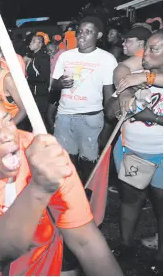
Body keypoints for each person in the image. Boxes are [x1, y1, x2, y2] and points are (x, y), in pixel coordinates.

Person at [0, 75, 123, 276]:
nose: (9, 135)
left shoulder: (40, 155)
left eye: (7, 121)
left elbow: (85, 240)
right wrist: (39, 189)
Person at [107, 31, 163, 274]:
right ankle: (125, 245)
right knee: (131, 200)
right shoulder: (134, 75)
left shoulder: (147, 75)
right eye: (147, 48)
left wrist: (153, 117)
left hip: (162, 155)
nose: (145, 54)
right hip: (132, 151)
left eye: (154, 49)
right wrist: (124, 100)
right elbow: (109, 111)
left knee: (162, 206)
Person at [51, 16, 117, 184]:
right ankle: (70, 197)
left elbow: (109, 94)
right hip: (65, 116)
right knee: (65, 163)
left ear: (99, 35)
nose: (81, 35)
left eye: (88, 32)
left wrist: (108, 126)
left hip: (90, 118)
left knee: (88, 164)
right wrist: (59, 83)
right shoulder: (65, 56)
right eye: (80, 31)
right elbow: (54, 87)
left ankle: (87, 197)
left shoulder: (107, 59)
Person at [26, 33, 51, 118]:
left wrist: (27, 80)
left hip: (39, 96)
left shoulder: (43, 57)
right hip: (33, 93)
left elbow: (44, 77)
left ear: (40, 44)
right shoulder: (34, 57)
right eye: (31, 41)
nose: (30, 43)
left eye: (34, 41)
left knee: (39, 120)